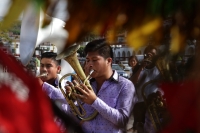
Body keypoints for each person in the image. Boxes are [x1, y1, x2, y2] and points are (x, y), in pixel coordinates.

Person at [65, 39, 137, 133]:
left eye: (94, 60)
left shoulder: (125, 85)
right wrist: (72, 102)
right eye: (87, 60)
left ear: (108, 61)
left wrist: (94, 101)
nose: (89, 64)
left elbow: (122, 120)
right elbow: (77, 118)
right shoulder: (86, 85)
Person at [129, 45, 162, 133]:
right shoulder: (138, 67)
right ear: (144, 55)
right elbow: (131, 83)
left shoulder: (159, 68)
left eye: (153, 54)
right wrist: (141, 68)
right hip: (140, 104)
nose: (150, 56)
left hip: (154, 104)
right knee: (139, 128)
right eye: (148, 54)